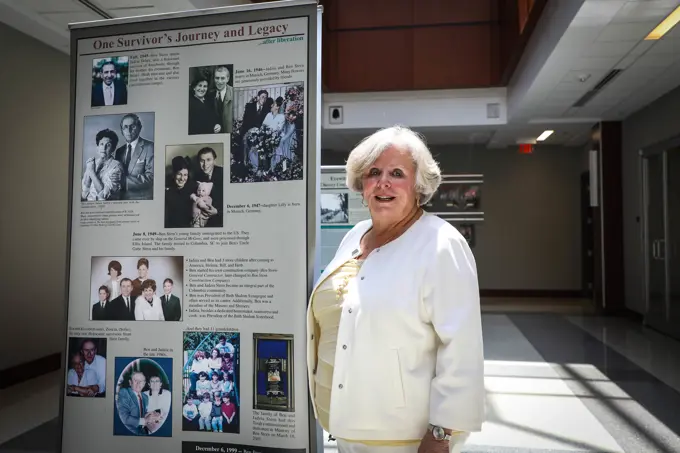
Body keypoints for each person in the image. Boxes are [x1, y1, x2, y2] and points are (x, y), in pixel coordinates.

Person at [306, 125, 484, 453]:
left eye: (397, 173)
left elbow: (462, 349)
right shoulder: (356, 235)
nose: (383, 182)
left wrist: (442, 434)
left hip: (402, 440)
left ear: (418, 186)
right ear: (361, 185)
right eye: (374, 172)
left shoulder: (441, 244)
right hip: (346, 432)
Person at [114, 114, 154, 200]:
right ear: (122, 130)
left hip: (142, 201)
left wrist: (124, 181)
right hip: (121, 200)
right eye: (125, 127)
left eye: (133, 126)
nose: (129, 130)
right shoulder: (119, 151)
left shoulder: (150, 147)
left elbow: (151, 177)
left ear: (139, 128)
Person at [81, 128, 124, 201]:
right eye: (101, 144)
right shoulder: (92, 163)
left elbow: (104, 195)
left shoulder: (116, 166)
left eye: (108, 145)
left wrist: (91, 172)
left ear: (113, 149)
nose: (104, 148)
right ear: (97, 147)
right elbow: (84, 194)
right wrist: (89, 173)